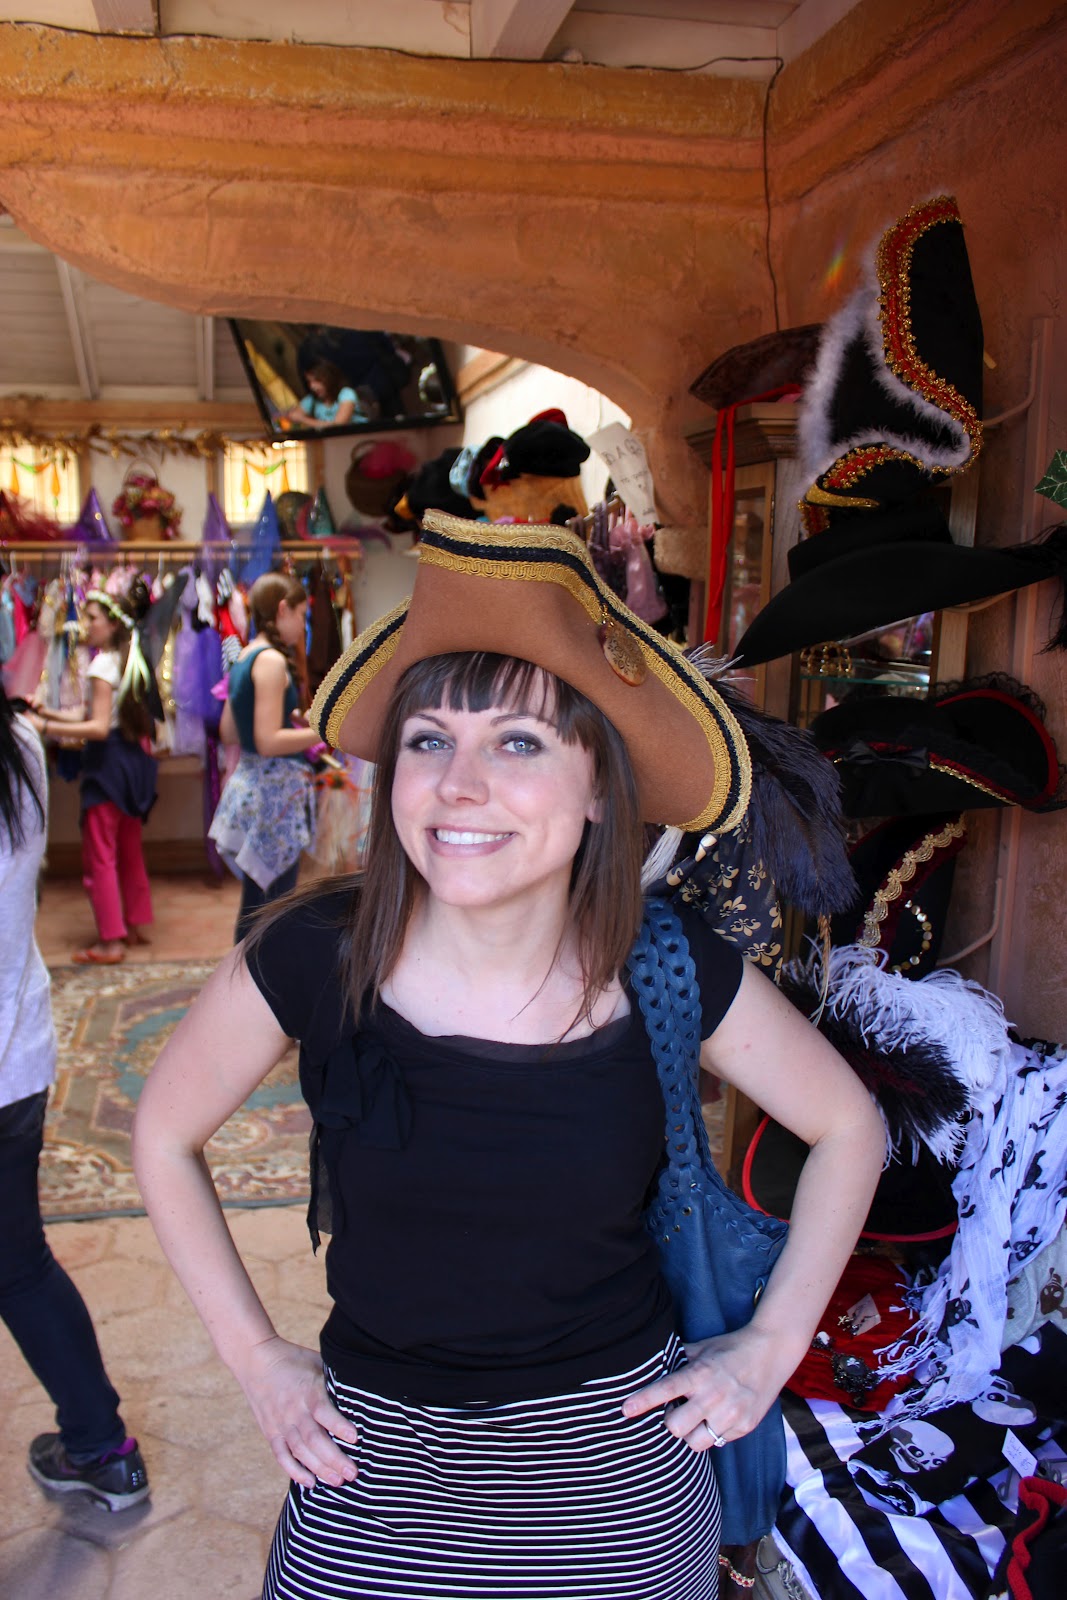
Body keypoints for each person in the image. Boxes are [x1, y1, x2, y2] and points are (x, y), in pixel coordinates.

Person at [132, 514, 885, 1600]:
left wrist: (770, 1344)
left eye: (519, 742)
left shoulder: (666, 967)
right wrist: (254, 1357)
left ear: (598, 788)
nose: (458, 782)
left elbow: (848, 1124)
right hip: (370, 1479)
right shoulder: (312, 952)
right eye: (429, 738)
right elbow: (162, 1133)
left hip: (617, 1490)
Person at [0, 683, 149, 1512]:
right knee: (19, 1264)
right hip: (13, 1054)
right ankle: (100, 1445)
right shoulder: (18, 734)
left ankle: (99, 1442)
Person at [34, 579, 157, 966]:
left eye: (91, 617)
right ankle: (133, 926)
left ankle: (110, 941)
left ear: (112, 624)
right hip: (132, 762)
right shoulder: (125, 658)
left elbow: (98, 727)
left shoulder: (102, 663)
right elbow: (96, 715)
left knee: (100, 855)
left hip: (108, 766)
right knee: (128, 848)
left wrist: (45, 730)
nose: (84, 624)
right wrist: (48, 713)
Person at [210, 571, 320, 942]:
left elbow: (229, 731)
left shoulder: (244, 656)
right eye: (301, 617)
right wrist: (323, 730)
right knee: (273, 907)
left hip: (251, 785)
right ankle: (260, 986)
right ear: (282, 609)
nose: (302, 627)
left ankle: (245, 980)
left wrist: (286, 721)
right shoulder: (272, 661)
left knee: (257, 903)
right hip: (272, 797)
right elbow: (268, 741)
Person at [283, 359, 359, 430]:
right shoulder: (311, 400)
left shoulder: (346, 393)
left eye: (317, 381)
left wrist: (303, 419)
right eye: (309, 382)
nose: (312, 386)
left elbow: (338, 426)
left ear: (329, 379)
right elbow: (294, 417)